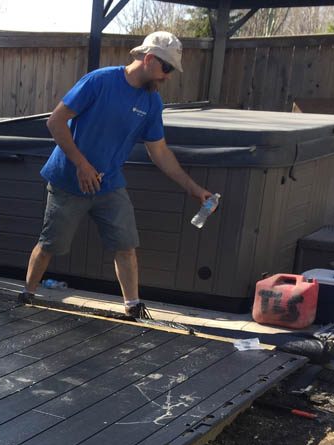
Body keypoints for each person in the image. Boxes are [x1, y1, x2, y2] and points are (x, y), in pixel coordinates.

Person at [20, 31, 212, 319]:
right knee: (50, 245)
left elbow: (159, 152)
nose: (167, 77)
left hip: (108, 184)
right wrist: (82, 165)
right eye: (166, 68)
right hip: (68, 181)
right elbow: (55, 121)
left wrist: (193, 188)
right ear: (148, 59)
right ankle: (28, 296)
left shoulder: (151, 102)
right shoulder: (100, 81)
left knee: (126, 245)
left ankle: (132, 306)